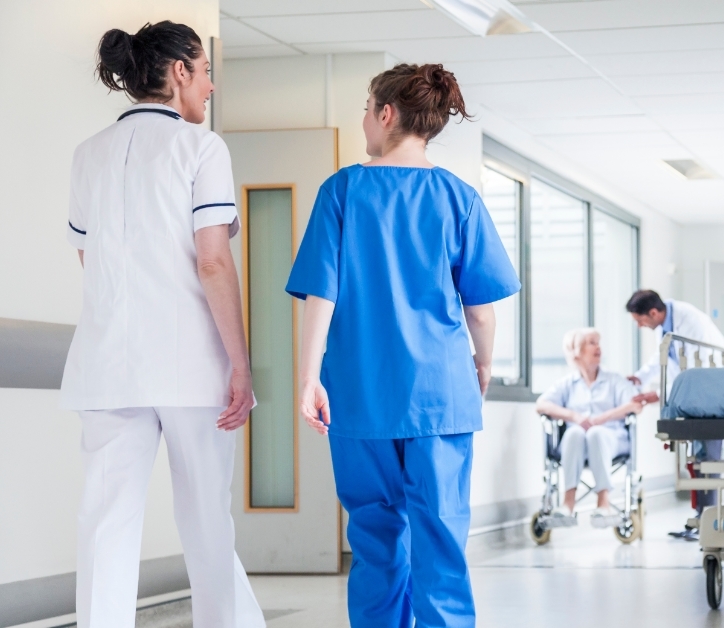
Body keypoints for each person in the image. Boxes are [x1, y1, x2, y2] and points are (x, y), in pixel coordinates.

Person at [286, 63, 519, 628]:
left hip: (360, 398)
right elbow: (480, 310)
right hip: (440, 398)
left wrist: (308, 379)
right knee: (439, 541)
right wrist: (481, 364)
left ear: (386, 114)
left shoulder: (342, 190)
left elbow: (321, 295)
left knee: (374, 538)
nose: (364, 120)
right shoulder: (458, 197)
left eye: (367, 108)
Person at [60, 22, 265, 627]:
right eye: (204, 73)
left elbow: (86, 255)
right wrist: (241, 364)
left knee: (105, 524)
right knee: (205, 521)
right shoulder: (202, 149)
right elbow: (212, 259)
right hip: (189, 366)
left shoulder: (87, 153)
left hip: (106, 364)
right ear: (180, 72)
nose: (208, 87)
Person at [624, 290, 724, 540]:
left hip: (712, 395)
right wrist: (641, 377)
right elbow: (663, 358)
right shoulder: (665, 325)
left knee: (708, 460)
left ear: (653, 313)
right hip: (695, 400)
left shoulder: (690, 322)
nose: (641, 326)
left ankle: (710, 521)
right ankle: (699, 518)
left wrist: (660, 396)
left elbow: (695, 371)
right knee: (697, 461)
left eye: (640, 321)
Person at [535, 328, 645, 528]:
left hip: (611, 439)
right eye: (591, 342)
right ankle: (568, 503)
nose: (598, 347)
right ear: (576, 351)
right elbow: (541, 405)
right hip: (574, 444)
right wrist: (574, 416)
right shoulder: (568, 384)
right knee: (575, 432)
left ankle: (603, 502)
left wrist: (601, 418)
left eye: (598, 342)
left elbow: (635, 404)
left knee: (595, 432)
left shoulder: (614, 381)